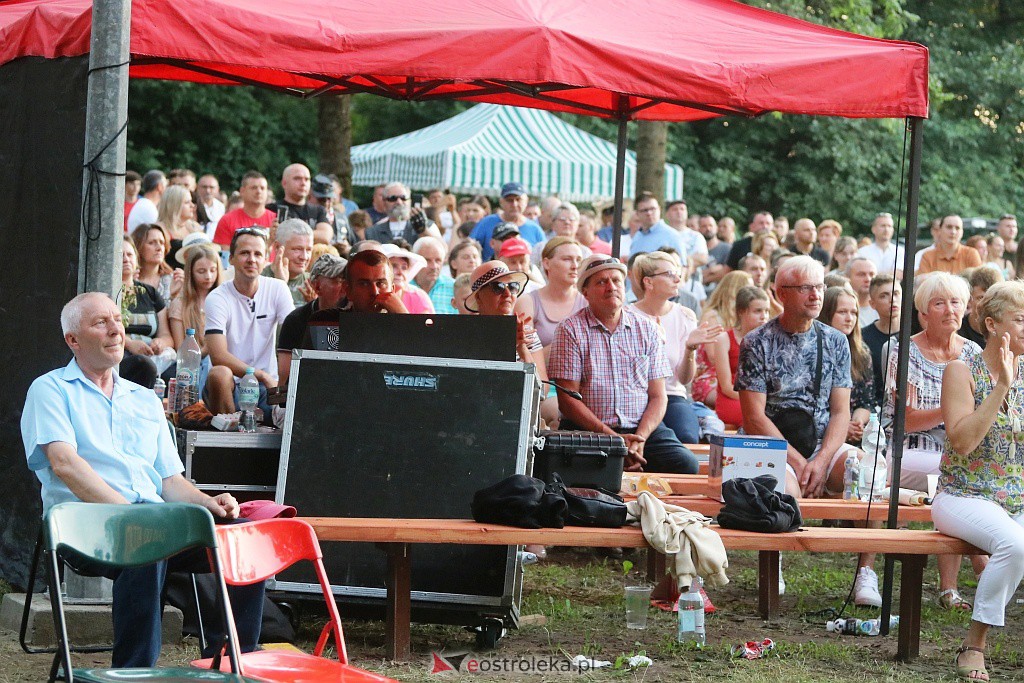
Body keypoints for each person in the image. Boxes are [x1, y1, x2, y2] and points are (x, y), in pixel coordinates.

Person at [21, 292, 264, 667]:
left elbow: (169, 480)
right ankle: (133, 673)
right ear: (73, 340)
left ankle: (231, 661)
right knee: (146, 542)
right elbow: (65, 465)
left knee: (243, 537)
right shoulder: (50, 389)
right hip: (84, 526)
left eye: (117, 319)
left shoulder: (144, 399)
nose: (115, 328)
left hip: (152, 523)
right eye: (99, 322)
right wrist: (131, 515)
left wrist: (207, 502)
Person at [937, 280, 1024, 682]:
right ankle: (974, 645)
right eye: (1021, 319)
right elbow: (963, 442)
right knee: (1016, 545)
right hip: (962, 495)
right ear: (991, 324)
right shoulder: (961, 369)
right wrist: (1002, 386)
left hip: (1016, 496)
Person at [881, 271, 982, 611]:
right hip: (911, 447)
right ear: (923, 313)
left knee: (972, 478)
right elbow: (907, 419)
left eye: (956, 302)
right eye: (939, 303)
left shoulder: (973, 352)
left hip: (961, 447)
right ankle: (959, 585)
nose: (949, 309)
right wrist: (953, 409)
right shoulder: (904, 351)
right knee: (951, 479)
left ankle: (973, 582)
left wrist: (960, 418)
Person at [549, 255, 700, 474]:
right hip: (591, 429)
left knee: (686, 465)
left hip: (641, 428)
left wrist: (640, 439)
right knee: (575, 471)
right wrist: (613, 440)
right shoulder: (570, 330)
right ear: (586, 293)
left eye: (616, 281)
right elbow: (567, 401)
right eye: (601, 282)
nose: (610, 287)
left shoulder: (646, 328)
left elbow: (659, 396)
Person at [736, 255, 859, 499]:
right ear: (782, 294)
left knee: (865, 475)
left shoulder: (836, 341)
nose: (815, 295)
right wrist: (801, 464)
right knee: (786, 493)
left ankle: (863, 536)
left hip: (822, 443)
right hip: (771, 445)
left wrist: (822, 460)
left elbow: (840, 412)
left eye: (820, 286)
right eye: (805, 288)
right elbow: (754, 418)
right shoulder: (756, 342)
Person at [630, 251, 724, 442]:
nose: (677, 278)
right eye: (669, 274)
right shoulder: (626, 315)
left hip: (672, 395)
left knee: (687, 437)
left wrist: (690, 349)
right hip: (635, 397)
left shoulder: (685, 315)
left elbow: (684, 379)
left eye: (677, 273)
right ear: (648, 282)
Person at [204, 227, 295, 417]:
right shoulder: (218, 297)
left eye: (257, 254)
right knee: (219, 374)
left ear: (265, 260)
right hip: (234, 385)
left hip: (268, 386)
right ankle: (229, 439)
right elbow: (218, 356)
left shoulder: (278, 288)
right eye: (245, 253)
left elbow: (295, 336)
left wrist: (282, 383)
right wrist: (259, 374)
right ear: (231, 258)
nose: (251, 259)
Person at [277, 254, 347, 384]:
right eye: (339, 280)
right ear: (317, 286)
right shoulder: (296, 320)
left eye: (348, 280)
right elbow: (285, 380)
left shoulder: (358, 316)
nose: (346, 287)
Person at [819, 286, 876, 444]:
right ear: (827, 314)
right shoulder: (813, 349)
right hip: (818, 434)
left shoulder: (862, 352)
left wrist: (857, 422)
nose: (850, 318)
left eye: (854, 312)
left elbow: (867, 401)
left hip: (853, 433)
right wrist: (842, 427)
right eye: (842, 312)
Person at [708, 286, 769, 427]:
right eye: (757, 311)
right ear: (741, 312)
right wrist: (756, 402)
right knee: (759, 419)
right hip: (733, 399)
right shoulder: (724, 339)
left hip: (762, 400)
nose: (764, 317)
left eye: (766, 311)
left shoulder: (770, 339)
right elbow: (726, 387)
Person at [691, 271, 754, 408]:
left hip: (737, 376)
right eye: (748, 289)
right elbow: (713, 356)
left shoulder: (747, 317)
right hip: (711, 376)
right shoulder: (713, 316)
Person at [168, 243, 223, 397]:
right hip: (194, 364)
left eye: (213, 270)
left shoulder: (223, 300)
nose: (208, 276)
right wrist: (210, 348)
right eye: (201, 271)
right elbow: (182, 350)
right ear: (190, 272)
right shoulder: (180, 304)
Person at [120, 237, 177, 377]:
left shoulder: (150, 293)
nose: (126, 259)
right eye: (120, 255)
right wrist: (130, 344)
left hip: (151, 353)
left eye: (129, 254)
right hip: (122, 352)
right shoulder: (108, 292)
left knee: (178, 372)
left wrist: (160, 343)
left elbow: (167, 335)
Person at [470, 182, 545, 259]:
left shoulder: (535, 229)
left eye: (518, 199)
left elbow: (544, 255)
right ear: (501, 202)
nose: (514, 204)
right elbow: (470, 247)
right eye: (509, 200)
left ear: (526, 201)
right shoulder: (486, 223)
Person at [861, 274, 901, 407]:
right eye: (884, 296)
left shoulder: (914, 334)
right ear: (872, 304)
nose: (892, 300)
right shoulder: (863, 337)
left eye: (896, 294)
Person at [364, 181, 439, 245]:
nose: (399, 202)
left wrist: (424, 230)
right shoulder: (373, 231)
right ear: (384, 202)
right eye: (393, 198)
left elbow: (442, 250)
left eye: (403, 198)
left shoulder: (428, 225)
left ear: (410, 201)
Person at [213, 171, 275, 248]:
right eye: (254, 188)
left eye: (262, 188)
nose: (259, 191)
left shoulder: (276, 221)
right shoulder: (227, 220)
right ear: (242, 191)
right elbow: (224, 255)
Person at [263, 218, 314, 307]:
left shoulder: (313, 284)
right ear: (277, 247)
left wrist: (314, 305)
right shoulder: (260, 281)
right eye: (297, 249)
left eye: (309, 250)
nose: (304, 257)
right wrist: (280, 284)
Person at [268, 163, 331, 233]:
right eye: (297, 178)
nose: (303, 183)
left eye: (307, 179)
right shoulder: (271, 209)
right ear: (284, 183)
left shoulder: (319, 210)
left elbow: (325, 235)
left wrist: (288, 233)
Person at [131, 223, 181, 303]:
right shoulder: (129, 280)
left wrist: (174, 296)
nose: (159, 248)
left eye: (162, 243)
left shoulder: (173, 280)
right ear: (138, 246)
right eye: (151, 243)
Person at [917, 215, 983, 275]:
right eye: (949, 227)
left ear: (962, 232)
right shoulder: (927, 256)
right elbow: (923, 284)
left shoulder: (971, 254)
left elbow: (978, 283)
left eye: (957, 228)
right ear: (939, 230)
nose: (953, 232)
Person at [380, 243, 435, 314]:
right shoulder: (371, 294)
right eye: (394, 266)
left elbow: (428, 324)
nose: (400, 272)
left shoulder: (418, 296)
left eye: (404, 267)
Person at [628, 192, 685, 257]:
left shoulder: (672, 236)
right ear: (637, 213)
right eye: (644, 210)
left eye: (652, 209)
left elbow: (682, 266)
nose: (649, 213)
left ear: (659, 209)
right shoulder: (637, 236)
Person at [961, 267, 1005, 347]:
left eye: (993, 299)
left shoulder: (1005, 331)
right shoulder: (958, 329)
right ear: (970, 299)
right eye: (981, 298)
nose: (986, 303)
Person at [412, 236, 457, 314]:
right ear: (414, 261)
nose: (434, 266)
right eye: (427, 260)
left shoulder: (454, 288)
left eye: (438, 260)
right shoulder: (404, 288)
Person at [858, 212, 905, 276]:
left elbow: (899, 274)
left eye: (889, 226)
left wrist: (873, 274)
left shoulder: (900, 251)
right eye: (883, 226)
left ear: (893, 230)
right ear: (873, 229)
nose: (886, 229)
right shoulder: (862, 252)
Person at [845, 256, 879, 326]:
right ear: (847, 278)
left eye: (872, 274)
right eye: (861, 274)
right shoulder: (840, 310)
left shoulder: (882, 309)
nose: (868, 279)